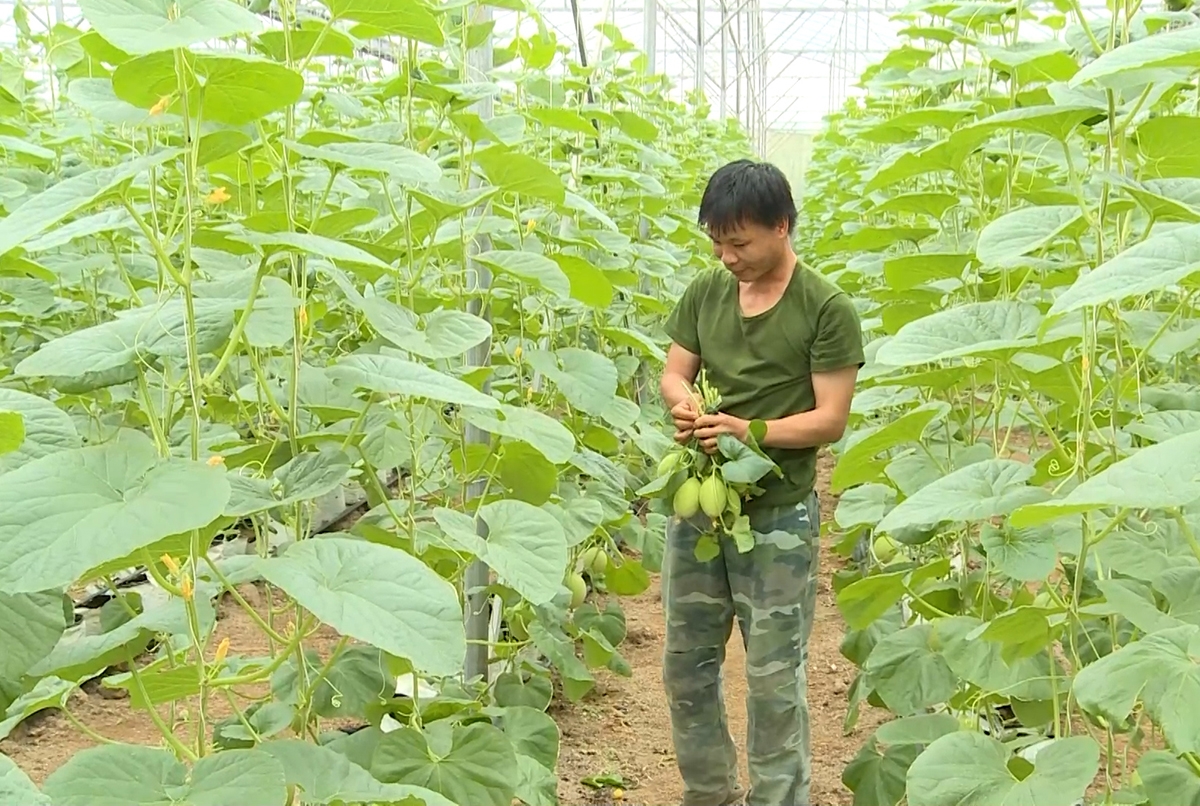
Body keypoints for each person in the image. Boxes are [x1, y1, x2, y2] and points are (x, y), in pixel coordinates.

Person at [657, 159, 865, 806]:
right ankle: (709, 794)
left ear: (781, 226)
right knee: (686, 667)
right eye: (717, 242)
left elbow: (830, 419)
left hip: (777, 519)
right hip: (701, 509)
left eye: (740, 243)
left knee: (774, 680)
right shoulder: (707, 292)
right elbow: (674, 372)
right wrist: (686, 405)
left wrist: (751, 431)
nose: (727, 257)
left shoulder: (825, 308)